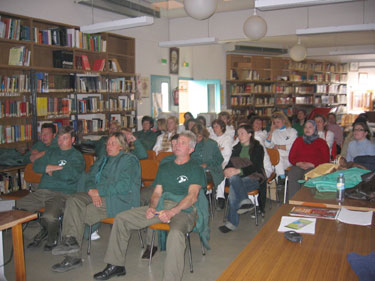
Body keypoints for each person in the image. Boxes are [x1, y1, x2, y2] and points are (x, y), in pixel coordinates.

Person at [93, 132, 208, 281]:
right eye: (177, 142)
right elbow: (157, 192)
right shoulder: (165, 166)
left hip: (183, 209)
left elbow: (192, 196)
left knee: (175, 234)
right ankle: (116, 265)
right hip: (161, 205)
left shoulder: (195, 168)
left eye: (182, 143)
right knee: (122, 219)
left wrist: (172, 212)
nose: (177, 145)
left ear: (191, 149)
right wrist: (151, 207)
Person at [51, 132, 141, 273]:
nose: (109, 146)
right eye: (108, 143)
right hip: (99, 194)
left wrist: (99, 192)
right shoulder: (103, 160)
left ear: (122, 146)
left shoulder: (129, 160)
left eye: (113, 143)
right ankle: (69, 241)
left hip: (119, 199)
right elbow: (89, 177)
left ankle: (72, 258)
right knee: (73, 200)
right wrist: (92, 191)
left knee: (78, 214)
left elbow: (124, 186)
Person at [16, 126, 85, 251]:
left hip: (62, 193)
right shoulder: (52, 152)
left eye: (65, 138)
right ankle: (40, 231)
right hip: (43, 190)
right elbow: (36, 165)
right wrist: (49, 167)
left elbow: (72, 175)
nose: (60, 141)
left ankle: (52, 239)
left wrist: (52, 169)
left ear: (73, 140)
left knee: (50, 217)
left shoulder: (77, 156)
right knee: (19, 207)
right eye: (59, 138)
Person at [219, 125, 265, 233]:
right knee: (234, 181)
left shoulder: (258, 148)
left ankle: (232, 223)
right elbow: (229, 163)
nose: (239, 136)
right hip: (239, 179)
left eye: (242, 133)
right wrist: (225, 170)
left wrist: (239, 171)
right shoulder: (236, 148)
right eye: (238, 134)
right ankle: (245, 200)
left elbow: (256, 167)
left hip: (255, 177)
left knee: (233, 187)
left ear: (250, 134)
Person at [288, 120, 330, 199]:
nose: (307, 129)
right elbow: (291, 157)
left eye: (310, 127)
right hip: (299, 165)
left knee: (308, 177)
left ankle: (305, 201)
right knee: (292, 175)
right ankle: (293, 201)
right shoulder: (298, 140)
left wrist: (313, 164)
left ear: (315, 129)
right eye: (306, 127)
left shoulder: (321, 142)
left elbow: (326, 160)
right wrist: (298, 163)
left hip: (314, 167)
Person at [191, 123, 224, 197]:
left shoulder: (211, 144)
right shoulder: (190, 143)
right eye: (195, 137)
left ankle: (201, 198)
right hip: (195, 171)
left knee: (198, 178)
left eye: (199, 136)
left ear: (203, 135)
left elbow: (219, 159)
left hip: (210, 171)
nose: (197, 139)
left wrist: (207, 164)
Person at [264, 112, 297, 186]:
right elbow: (267, 145)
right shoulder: (273, 132)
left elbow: (293, 147)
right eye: (274, 122)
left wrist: (279, 146)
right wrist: (271, 131)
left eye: (278, 122)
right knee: (275, 160)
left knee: (276, 157)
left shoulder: (292, 131)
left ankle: (280, 178)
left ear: (283, 121)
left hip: (288, 156)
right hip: (277, 158)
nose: (276, 124)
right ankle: (281, 178)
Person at [209, 119, 233, 209]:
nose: (215, 129)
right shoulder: (212, 138)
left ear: (222, 127)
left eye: (217, 127)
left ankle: (220, 197)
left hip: (224, 160)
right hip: (212, 161)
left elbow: (227, 153)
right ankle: (208, 194)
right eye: (213, 127)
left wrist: (216, 151)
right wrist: (218, 150)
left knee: (220, 171)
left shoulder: (227, 138)